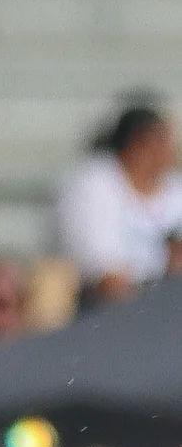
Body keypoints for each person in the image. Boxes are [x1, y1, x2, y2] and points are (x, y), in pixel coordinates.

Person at [53, 101, 182, 300]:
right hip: (104, 306)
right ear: (139, 143)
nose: (172, 149)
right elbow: (103, 273)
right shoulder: (93, 184)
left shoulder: (175, 188)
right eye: (164, 140)